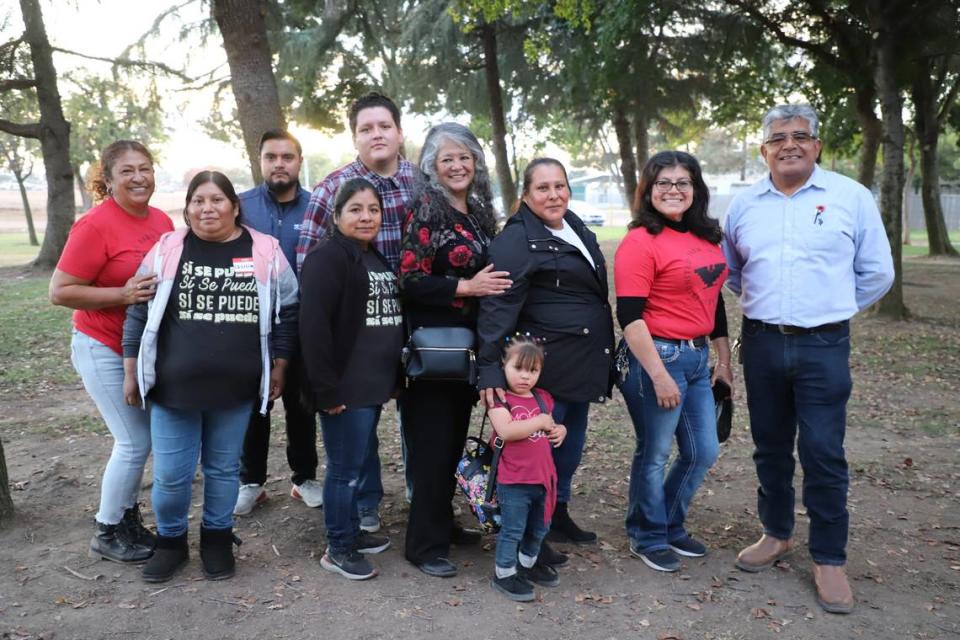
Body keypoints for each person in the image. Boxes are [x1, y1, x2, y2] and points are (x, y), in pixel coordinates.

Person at [723, 104, 894, 614]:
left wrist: (830, 309)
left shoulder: (850, 197)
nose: (790, 144)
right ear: (764, 150)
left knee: (823, 450)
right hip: (763, 342)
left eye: (801, 136)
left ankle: (829, 557)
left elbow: (877, 271)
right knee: (770, 446)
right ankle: (777, 533)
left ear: (817, 145)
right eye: (779, 138)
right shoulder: (744, 204)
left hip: (824, 344)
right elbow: (733, 271)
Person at [122, 171, 299, 583]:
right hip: (173, 388)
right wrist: (131, 370)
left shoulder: (265, 251)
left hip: (235, 389)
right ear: (186, 209)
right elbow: (138, 309)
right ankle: (171, 542)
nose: (207, 208)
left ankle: (217, 539)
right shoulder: (167, 249)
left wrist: (281, 364)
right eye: (198, 201)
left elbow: (288, 310)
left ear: (235, 207)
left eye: (217, 200)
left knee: (222, 471)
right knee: (170, 474)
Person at [478, 158, 615, 561]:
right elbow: (496, 308)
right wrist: (489, 368)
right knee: (538, 451)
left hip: (580, 361)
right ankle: (529, 530)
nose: (554, 195)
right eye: (543, 188)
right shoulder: (516, 240)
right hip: (544, 368)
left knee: (566, 445)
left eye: (560, 185)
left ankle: (557, 514)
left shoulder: (573, 225)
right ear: (525, 195)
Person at [296, 92, 419, 531]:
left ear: (399, 132)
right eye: (366, 129)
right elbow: (308, 266)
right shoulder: (333, 187)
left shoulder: (421, 184)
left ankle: (418, 496)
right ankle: (360, 508)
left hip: (409, 324)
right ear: (355, 138)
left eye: (384, 126)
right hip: (353, 333)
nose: (377, 135)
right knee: (356, 426)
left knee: (415, 417)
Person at [50, 140, 173, 564]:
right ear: (108, 178)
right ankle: (106, 529)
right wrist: (121, 294)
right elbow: (60, 291)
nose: (139, 177)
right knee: (133, 440)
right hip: (100, 345)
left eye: (145, 168)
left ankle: (127, 521)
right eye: (127, 171)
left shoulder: (160, 220)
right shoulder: (95, 225)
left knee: (144, 441)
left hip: (143, 348)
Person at [614, 151, 732, 573]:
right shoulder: (639, 241)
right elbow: (629, 316)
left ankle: (668, 522)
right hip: (656, 356)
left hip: (699, 357)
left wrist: (723, 358)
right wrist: (660, 376)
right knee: (655, 451)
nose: (673, 190)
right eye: (663, 182)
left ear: (696, 189)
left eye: (683, 182)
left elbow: (713, 298)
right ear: (648, 190)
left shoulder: (707, 237)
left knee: (703, 450)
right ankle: (646, 534)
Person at [399, 122, 508, 578]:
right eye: (447, 159)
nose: (458, 165)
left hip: (469, 350)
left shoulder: (477, 211)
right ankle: (423, 545)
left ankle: (441, 524)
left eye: (464, 157)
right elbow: (409, 280)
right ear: (432, 167)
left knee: (450, 443)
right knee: (431, 447)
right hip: (436, 351)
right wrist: (468, 285)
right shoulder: (428, 208)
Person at [299, 178, 401, 580]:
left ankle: (353, 532)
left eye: (373, 209)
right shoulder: (327, 257)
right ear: (337, 215)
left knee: (357, 462)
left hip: (372, 385)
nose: (366, 217)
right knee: (344, 470)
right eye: (355, 209)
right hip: (344, 388)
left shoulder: (371, 255)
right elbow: (314, 328)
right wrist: (326, 389)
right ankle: (338, 547)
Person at [234, 129, 322, 516]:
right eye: (271, 157)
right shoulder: (241, 206)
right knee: (254, 404)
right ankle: (251, 481)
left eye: (287, 157)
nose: (279, 164)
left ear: (299, 161)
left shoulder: (317, 206)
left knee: (301, 405)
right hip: (250, 324)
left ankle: (304, 478)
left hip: (303, 323)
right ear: (260, 161)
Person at [487, 337, 567, 602]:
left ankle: (527, 565)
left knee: (540, 528)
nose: (525, 376)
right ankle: (505, 572)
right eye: (518, 368)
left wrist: (559, 429)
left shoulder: (543, 399)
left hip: (544, 479)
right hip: (514, 481)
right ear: (504, 366)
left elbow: (550, 425)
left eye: (533, 371)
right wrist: (540, 422)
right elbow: (507, 431)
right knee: (512, 530)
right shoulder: (499, 400)